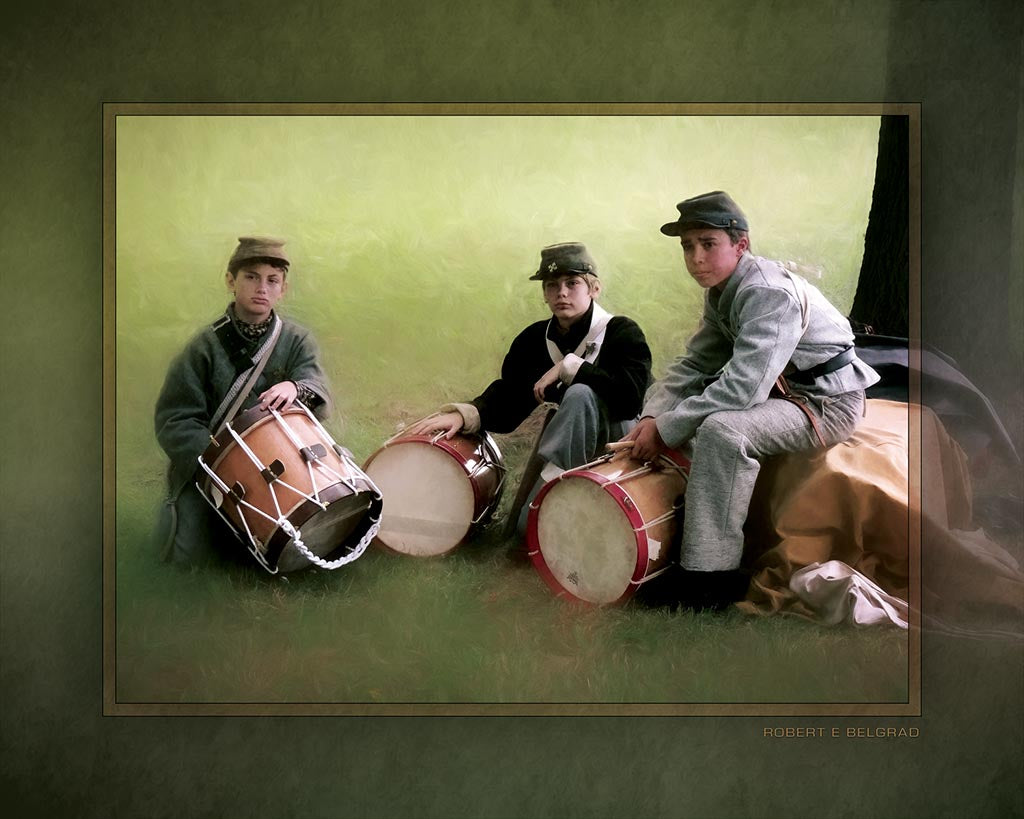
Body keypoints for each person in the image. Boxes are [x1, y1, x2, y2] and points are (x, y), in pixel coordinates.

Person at [619, 191, 880, 609]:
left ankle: (709, 580)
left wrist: (667, 429)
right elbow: (695, 364)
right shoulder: (724, 290)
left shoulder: (767, 293)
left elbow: (743, 389)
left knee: (723, 431)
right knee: (701, 417)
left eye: (708, 244)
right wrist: (651, 415)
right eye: (688, 246)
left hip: (826, 403)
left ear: (741, 244)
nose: (696, 257)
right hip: (790, 393)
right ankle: (682, 547)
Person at [405, 242, 653, 534]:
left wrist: (569, 367)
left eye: (572, 283)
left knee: (580, 393)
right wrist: (465, 415)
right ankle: (550, 507)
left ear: (594, 289)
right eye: (552, 285)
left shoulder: (623, 332)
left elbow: (630, 401)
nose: (561, 292)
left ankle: (551, 495)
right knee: (527, 533)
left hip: (626, 443)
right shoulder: (534, 340)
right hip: (572, 442)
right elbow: (511, 399)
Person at [153, 236, 332, 567]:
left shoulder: (296, 341)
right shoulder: (202, 348)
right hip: (213, 469)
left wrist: (297, 387)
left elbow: (316, 388)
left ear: (283, 289)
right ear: (230, 281)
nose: (261, 288)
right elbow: (174, 418)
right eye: (251, 276)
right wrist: (216, 459)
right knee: (187, 556)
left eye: (272, 280)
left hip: (280, 464)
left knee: (316, 534)